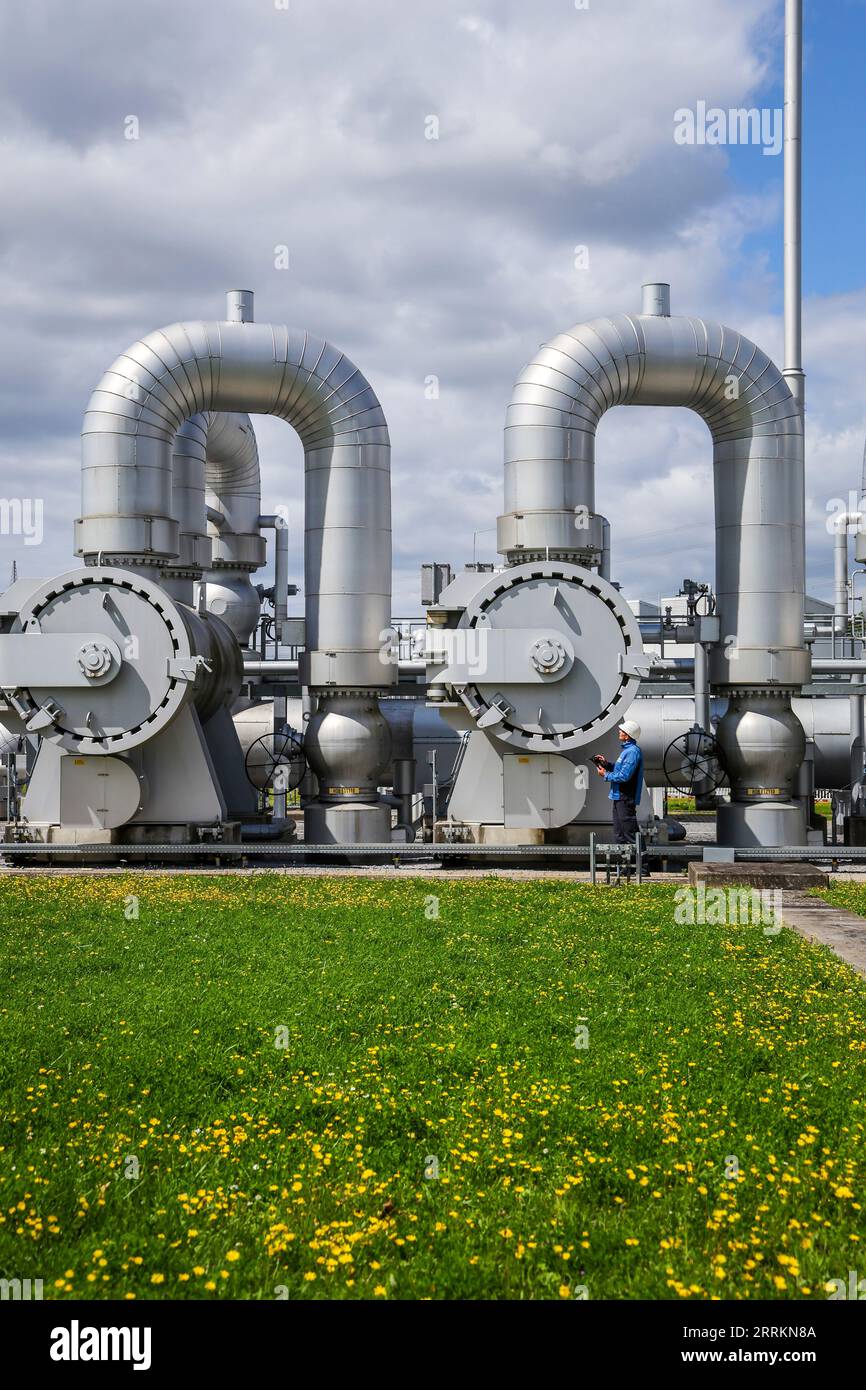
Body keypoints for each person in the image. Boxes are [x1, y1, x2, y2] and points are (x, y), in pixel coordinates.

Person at [594, 719, 649, 876]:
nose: (619, 732)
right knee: (620, 835)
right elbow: (620, 769)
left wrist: (605, 774)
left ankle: (643, 869)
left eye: (622, 731)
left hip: (625, 797)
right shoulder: (626, 751)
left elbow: (624, 776)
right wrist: (606, 764)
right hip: (619, 797)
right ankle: (626, 868)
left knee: (630, 834)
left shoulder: (632, 752)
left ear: (628, 735)